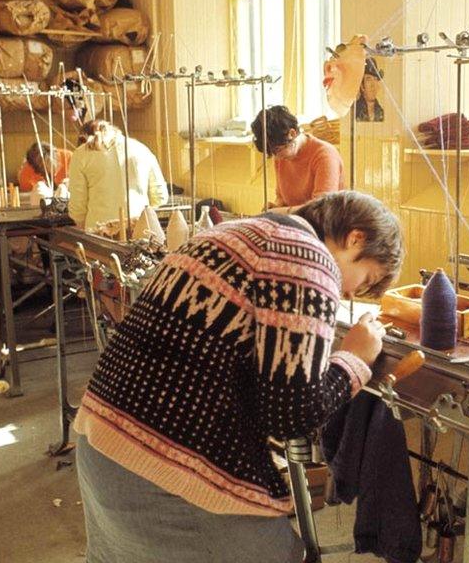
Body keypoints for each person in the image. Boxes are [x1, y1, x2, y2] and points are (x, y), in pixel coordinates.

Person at [73, 190, 404, 562]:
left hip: (101, 444)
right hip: (162, 471)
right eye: (361, 281)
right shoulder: (309, 259)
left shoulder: (227, 234)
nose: (347, 292)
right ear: (354, 237)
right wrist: (355, 359)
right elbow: (290, 416)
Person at [68, 119, 169, 230]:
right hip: (140, 229)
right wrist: (144, 217)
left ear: (84, 138)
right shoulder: (142, 149)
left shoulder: (81, 154)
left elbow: (78, 205)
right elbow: (160, 196)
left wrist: (82, 226)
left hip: (99, 232)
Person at [251, 105, 343, 214]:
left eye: (277, 150)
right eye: (272, 153)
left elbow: (320, 210)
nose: (277, 157)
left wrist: (279, 212)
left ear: (292, 134)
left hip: (325, 225)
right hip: (297, 222)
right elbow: (281, 197)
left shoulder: (324, 155)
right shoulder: (281, 155)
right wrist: (275, 206)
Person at [355, 58, 384, 122]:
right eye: (368, 79)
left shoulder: (381, 111)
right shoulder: (355, 111)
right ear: (362, 86)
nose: (373, 85)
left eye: (375, 79)